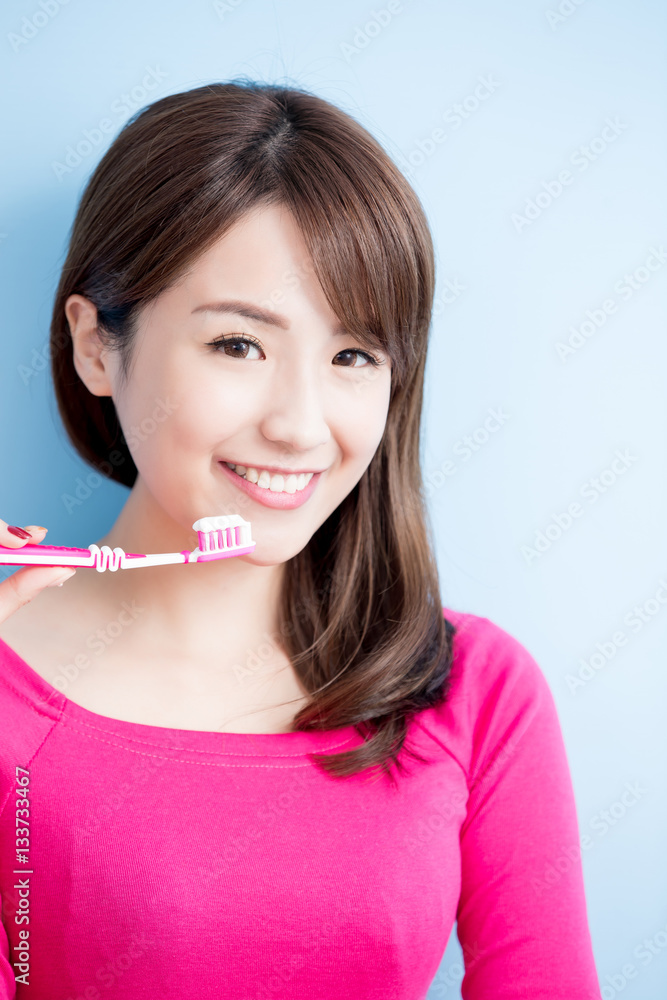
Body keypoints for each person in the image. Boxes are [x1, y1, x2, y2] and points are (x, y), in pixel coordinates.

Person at [0, 80, 602, 999]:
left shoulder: (478, 691)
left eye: (352, 357)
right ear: (96, 347)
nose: (299, 425)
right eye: (239, 345)